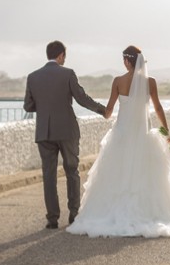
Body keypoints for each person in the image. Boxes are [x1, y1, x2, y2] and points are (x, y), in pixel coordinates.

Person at [67, 45, 170, 238]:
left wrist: (97, 109)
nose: (123, 62)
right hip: (143, 134)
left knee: (117, 175)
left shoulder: (118, 81)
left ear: (128, 61)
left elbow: (108, 112)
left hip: (121, 134)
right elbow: (158, 108)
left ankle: (111, 214)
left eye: (124, 59)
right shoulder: (150, 82)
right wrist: (168, 133)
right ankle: (151, 213)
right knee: (147, 174)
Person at [24, 40, 109, 229]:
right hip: (66, 130)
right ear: (61, 55)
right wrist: (103, 110)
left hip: (44, 132)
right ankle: (74, 214)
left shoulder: (32, 77)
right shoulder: (68, 74)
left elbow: (28, 106)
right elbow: (81, 99)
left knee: (49, 175)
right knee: (72, 171)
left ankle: (52, 219)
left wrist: (46, 107)